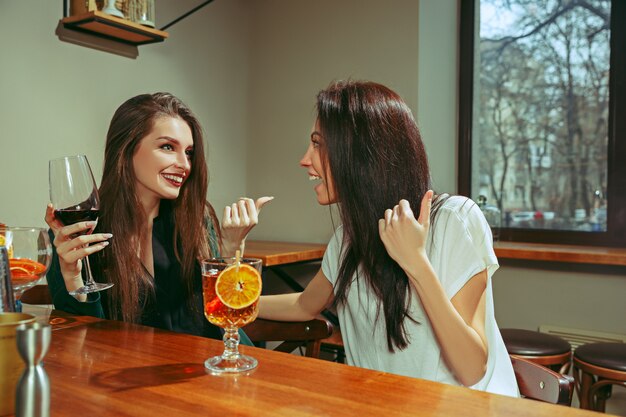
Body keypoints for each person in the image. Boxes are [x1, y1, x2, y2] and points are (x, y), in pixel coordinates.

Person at [259, 80, 518, 396]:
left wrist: (416, 264)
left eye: (318, 144)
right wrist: (232, 302)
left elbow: (471, 368)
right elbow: (304, 304)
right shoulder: (346, 240)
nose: (304, 159)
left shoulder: (455, 219)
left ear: (360, 156)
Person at [45, 92, 272, 342]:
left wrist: (231, 248)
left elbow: (225, 317)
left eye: (189, 152)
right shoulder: (76, 234)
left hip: (201, 371)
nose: (184, 164)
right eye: (167, 147)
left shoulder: (197, 220)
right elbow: (78, 342)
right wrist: (72, 276)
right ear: (126, 149)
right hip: (119, 375)